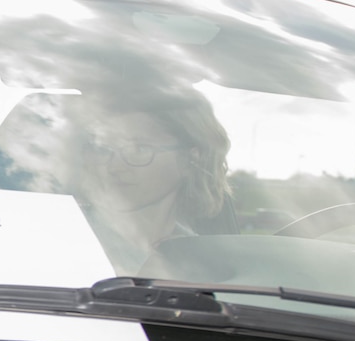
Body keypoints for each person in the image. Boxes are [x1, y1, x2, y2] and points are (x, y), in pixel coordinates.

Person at [70, 85, 234, 274]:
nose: (114, 167)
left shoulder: (205, 259)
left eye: (140, 149)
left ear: (192, 159)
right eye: (103, 149)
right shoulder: (64, 239)